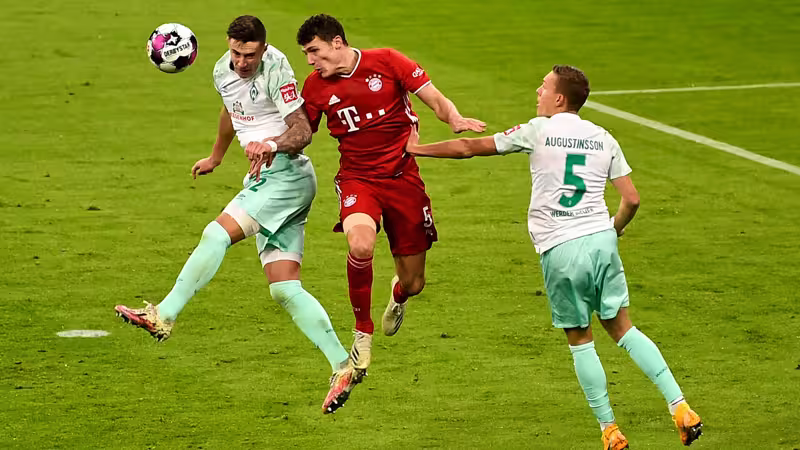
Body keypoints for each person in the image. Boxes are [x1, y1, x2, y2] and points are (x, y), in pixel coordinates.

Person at [404, 65, 703, 449]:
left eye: (543, 86)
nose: (537, 91)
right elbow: (631, 199)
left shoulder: (539, 130)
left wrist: (417, 149)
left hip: (561, 247)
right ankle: (680, 406)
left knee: (581, 340)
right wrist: (614, 230)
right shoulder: (603, 137)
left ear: (559, 98)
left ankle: (610, 430)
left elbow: (468, 148)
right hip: (601, 241)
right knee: (624, 329)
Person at [114, 15, 359, 414]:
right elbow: (231, 111)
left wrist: (271, 145)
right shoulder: (221, 71)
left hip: (284, 175)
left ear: (263, 48)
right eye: (236, 53)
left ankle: (163, 315)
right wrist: (216, 156)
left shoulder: (276, 68)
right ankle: (343, 365)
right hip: (271, 179)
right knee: (284, 289)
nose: (243, 62)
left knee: (216, 234)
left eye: (250, 55)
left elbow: (302, 132)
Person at [295, 14, 486, 380]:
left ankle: (399, 293)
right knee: (361, 244)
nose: (310, 60)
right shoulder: (315, 87)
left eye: (314, 51)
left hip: (403, 179)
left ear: (337, 43)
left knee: (414, 283)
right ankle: (362, 333)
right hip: (358, 180)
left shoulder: (387, 61)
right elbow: (301, 132)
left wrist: (454, 118)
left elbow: (434, 98)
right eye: (306, 54)